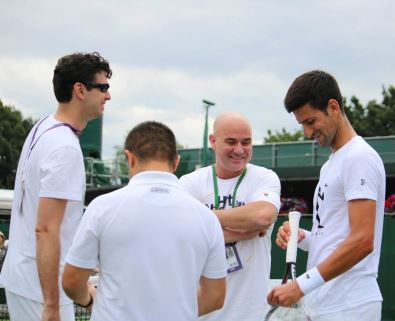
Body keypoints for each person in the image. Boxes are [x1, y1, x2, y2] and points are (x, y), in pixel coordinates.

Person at [62, 121, 227, 321]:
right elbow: (215, 297)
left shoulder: (102, 208)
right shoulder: (207, 218)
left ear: (129, 158)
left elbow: (72, 281)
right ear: (176, 162)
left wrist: (89, 300)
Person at [0, 52, 112, 321]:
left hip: (27, 279)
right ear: (80, 90)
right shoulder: (64, 147)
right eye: (103, 87)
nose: (108, 96)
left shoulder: (44, 127)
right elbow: (46, 229)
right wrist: (51, 304)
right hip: (42, 291)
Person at [267, 70, 386, 321]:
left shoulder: (359, 158)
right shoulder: (332, 164)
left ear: (333, 107)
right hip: (328, 304)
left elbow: (363, 240)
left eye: (310, 122)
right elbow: (334, 239)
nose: (308, 133)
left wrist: (300, 286)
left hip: (350, 305)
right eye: (302, 125)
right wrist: (301, 238)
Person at [179, 111, 281, 321]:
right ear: (213, 141)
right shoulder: (190, 182)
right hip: (200, 313)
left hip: (250, 312)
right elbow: (181, 232)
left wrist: (204, 219)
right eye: (231, 142)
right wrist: (242, 231)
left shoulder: (264, 177)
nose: (239, 150)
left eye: (246, 142)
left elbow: (262, 217)